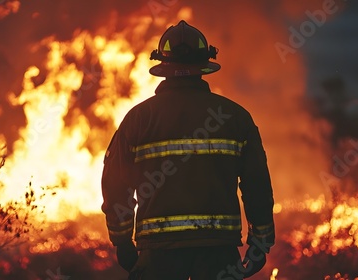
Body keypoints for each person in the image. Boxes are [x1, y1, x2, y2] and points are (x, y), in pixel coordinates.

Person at [101, 20, 275, 280]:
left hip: (158, 256)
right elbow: (257, 185)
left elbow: (116, 186)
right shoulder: (235, 117)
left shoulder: (138, 120)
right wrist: (260, 241)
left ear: (163, 66)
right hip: (219, 252)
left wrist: (122, 240)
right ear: (204, 64)